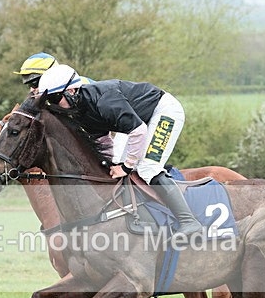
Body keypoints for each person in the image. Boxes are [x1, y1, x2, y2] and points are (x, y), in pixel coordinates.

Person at [37, 63, 203, 239]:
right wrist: (109, 165)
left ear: (71, 91)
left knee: (147, 168)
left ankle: (189, 221)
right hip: (138, 122)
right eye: (49, 101)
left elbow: (138, 131)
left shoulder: (105, 101)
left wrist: (127, 166)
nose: (53, 105)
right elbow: (103, 140)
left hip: (162, 111)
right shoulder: (80, 110)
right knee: (118, 164)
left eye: (55, 98)